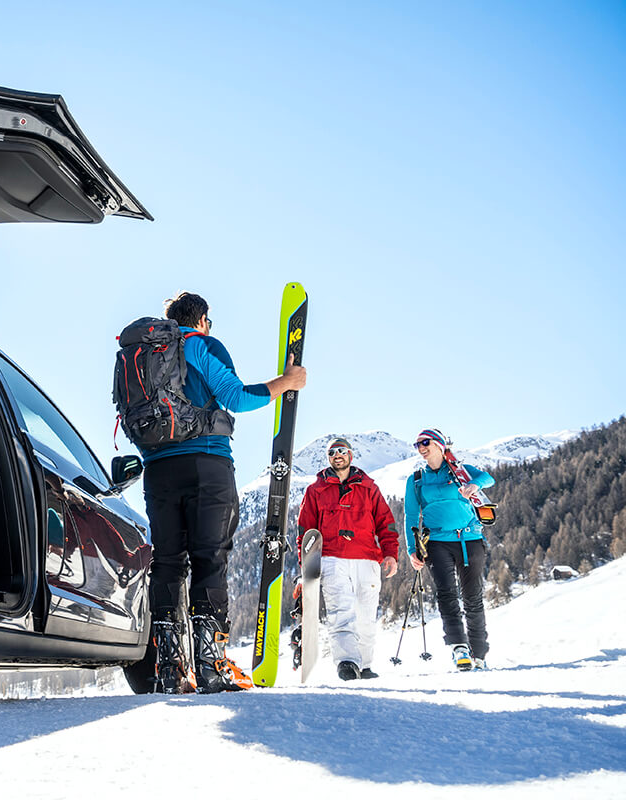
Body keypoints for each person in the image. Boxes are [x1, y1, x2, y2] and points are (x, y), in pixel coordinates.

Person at [141, 291, 307, 693]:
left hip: (157, 468)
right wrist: (286, 382)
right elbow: (234, 397)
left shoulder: (144, 354)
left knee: (166, 561)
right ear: (201, 318)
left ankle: (167, 669)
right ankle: (210, 666)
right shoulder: (198, 344)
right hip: (206, 464)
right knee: (209, 559)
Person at [296, 437, 399, 681]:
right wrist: (307, 564)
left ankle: (364, 665)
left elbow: (387, 523)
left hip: (367, 559)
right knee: (341, 610)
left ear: (350, 456)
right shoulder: (315, 490)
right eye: (332, 452)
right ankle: (347, 662)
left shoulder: (369, 488)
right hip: (332, 558)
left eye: (342, 451)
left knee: (366, 613)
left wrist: (391, 554)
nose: (337, 455)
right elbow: (305, 530)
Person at [404, 428, 495, 671]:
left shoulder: (460, 472)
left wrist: (474, 485)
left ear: (440, 445)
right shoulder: (416, 480)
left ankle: (479, 653)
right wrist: (412, 549)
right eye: (417, 445)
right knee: (447, 595)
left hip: (470, 540)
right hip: (436, 542)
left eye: (425, 442)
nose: (421, 448)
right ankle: (459, 648)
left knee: (473, 597)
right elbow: (411, 515)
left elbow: (488, 478)